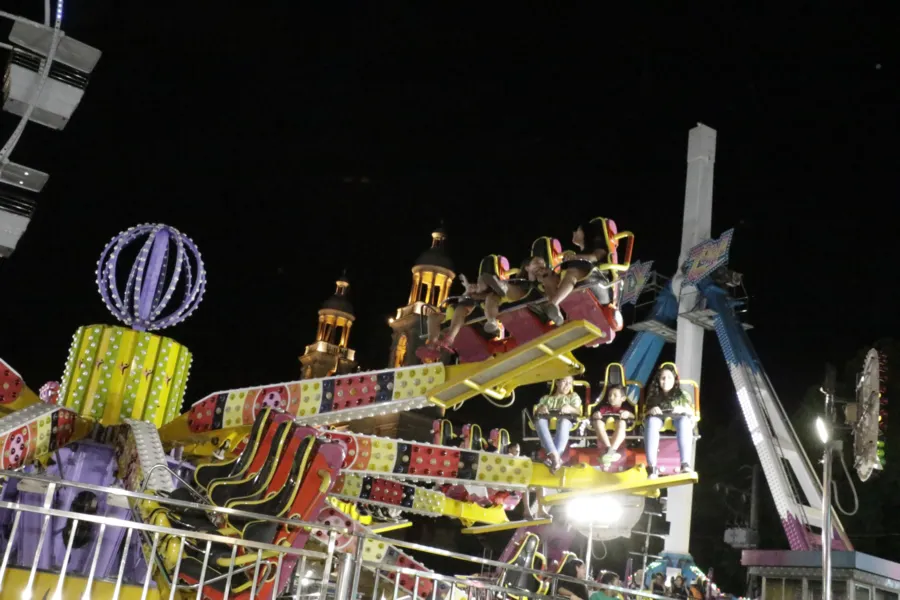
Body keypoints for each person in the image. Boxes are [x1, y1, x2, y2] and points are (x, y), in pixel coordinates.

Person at [544, 219, 610, 326]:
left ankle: (553, 303)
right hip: (581, 280)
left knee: (573, 271)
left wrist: (575, 257)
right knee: (548, 278)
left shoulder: (598, 246)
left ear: (587, 233)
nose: (574, 233)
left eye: (578, 230)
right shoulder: (577, 257)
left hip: (598, 283)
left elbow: (595, 257)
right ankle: (556, 312)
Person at [644, 363, 695, 479]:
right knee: (651, 422)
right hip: (659, 418)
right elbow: (645, 414)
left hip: (678, 418)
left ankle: (685, 464)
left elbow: (691, 413)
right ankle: (652, 466)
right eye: (663, 378)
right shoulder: (653, 395)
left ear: (675, 379)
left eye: (669, 377)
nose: (665, 381)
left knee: (684, 422)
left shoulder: (683, 395)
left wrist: (683, 409)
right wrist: (651, 410)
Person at [533, 376, 582, 473]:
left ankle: (553, 457)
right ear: (557, 383)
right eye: (564, 382)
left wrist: (570, 408)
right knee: (539, 421)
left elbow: (578, 411)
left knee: (563, 421)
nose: (567, 385)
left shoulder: (572, 396)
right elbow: (536, 410)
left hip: (566, 420)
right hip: (548, 420)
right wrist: (541, 409)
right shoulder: (546, 398)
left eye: (570, 383)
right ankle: (556, 457)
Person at [591, 384, 634, 465]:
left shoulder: (625, 409)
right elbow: (597, 414)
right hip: (605, 425)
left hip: (619, 426)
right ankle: (609, 450)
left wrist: (627, 414)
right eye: (610, 395)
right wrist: (596, 414)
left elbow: (633, 416)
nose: (611, 397)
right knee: (597, 422)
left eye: (615, 395)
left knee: (621, 423)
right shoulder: (605, 409)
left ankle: (611, 451)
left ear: (623, 398)